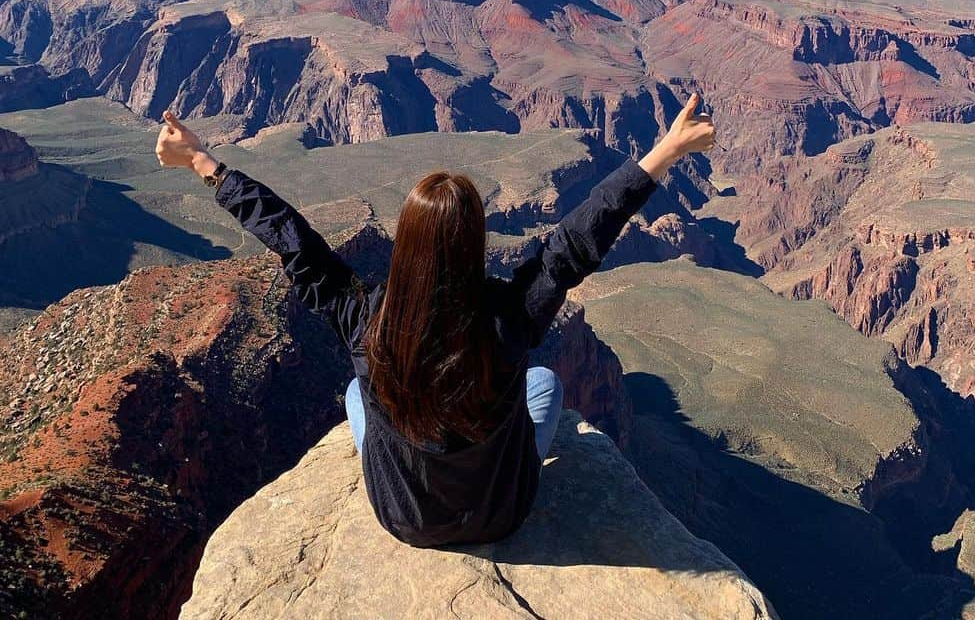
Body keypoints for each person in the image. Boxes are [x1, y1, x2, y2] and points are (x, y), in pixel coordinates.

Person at [155, 94, 715, 548]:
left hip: (402, 518)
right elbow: (575, 243)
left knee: (357, 391)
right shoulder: (509, 315)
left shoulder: (365, 318)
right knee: (543, 384)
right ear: (474, 244)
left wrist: (203, 162)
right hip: (502, 516)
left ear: (407, 247)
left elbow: (294, 241)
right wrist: (664, 152)